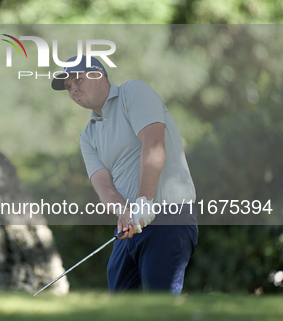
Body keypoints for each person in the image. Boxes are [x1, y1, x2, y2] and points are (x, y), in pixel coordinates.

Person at [51, 55, 198, 294]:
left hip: (168, 217)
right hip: (130, 226)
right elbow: (104, 187)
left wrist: (143, 201)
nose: (73, 89)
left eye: (78, 79)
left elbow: (153, 145)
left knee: (159, 309)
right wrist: (125, 212)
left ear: (99, 75)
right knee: (121, 307)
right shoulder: (88, 135)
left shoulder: (133, 91)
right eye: (68, 87)